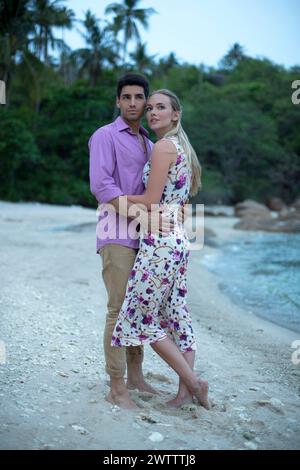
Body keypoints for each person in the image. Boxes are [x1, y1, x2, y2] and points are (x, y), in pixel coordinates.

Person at [111, 89, 211, 409]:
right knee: (177, 317)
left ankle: (194, 384)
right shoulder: (180, 147)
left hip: (160, 243)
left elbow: (151, 201)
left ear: (176, 114)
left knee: (140, 319)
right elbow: (173, 202)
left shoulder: (163, 147)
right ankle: (182, 396)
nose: (152, 112)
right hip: (178, 239)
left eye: (161, 107)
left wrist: (112, 200)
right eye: (150, 107)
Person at [89, 74, 170, 409]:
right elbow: (102, 187)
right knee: (118, 308)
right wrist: (142, 215)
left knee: (138, 309)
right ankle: (117, 386)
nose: (134, 103)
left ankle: (136, 377)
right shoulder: (104, 136)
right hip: (115, 234)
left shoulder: (150, 145)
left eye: (140, 98)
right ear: (118, 101)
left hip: (146, 240)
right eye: (127, 97)